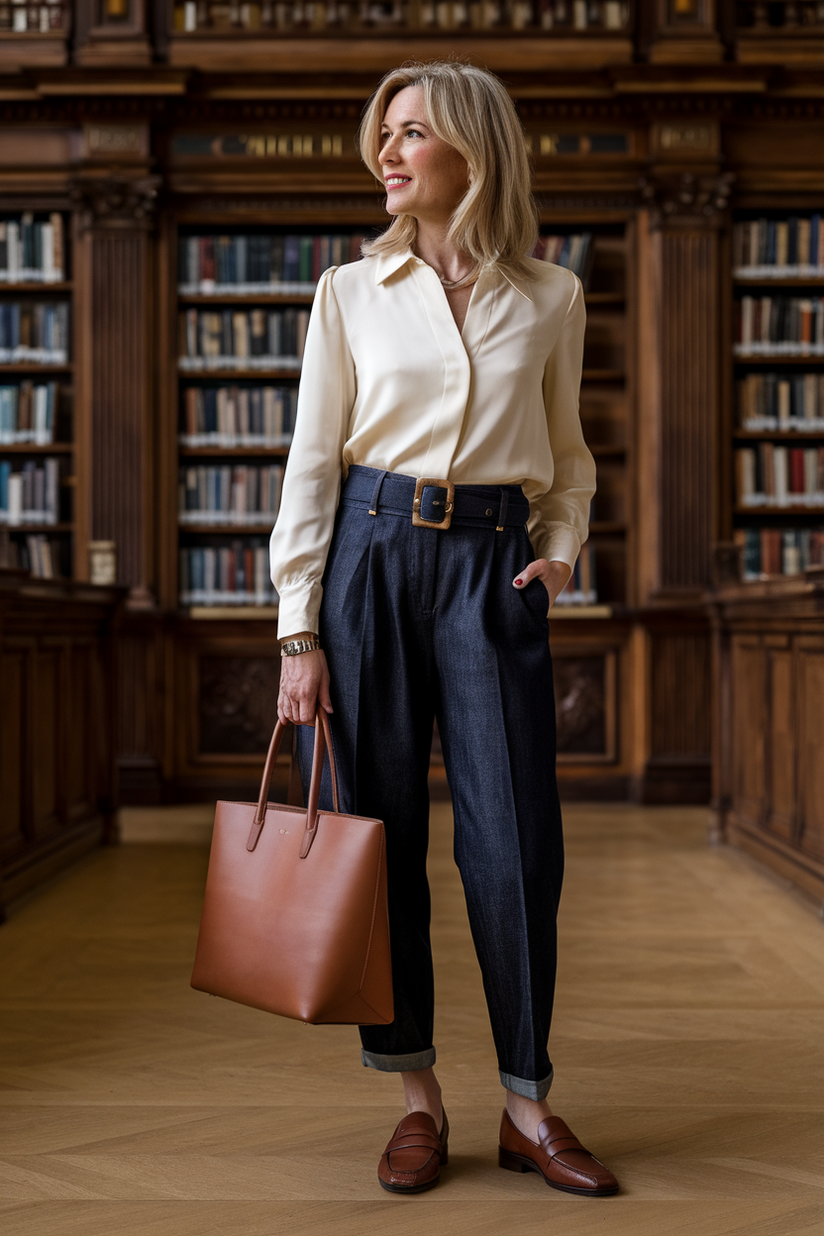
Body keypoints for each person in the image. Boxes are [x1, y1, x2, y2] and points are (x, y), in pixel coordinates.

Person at [269, 60, 617, 1199]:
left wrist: (558, 555)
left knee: (513, 846)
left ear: (470, 150)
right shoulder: (347, 292)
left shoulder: (551, 297)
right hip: (367, 560)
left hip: (490, 567)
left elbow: (566, 460)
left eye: (409, 133)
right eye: (382, 132)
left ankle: (527, 1100)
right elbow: (311, 468)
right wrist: (297, 634)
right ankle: (414, 1095)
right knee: (380, 839)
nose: (385, 152)